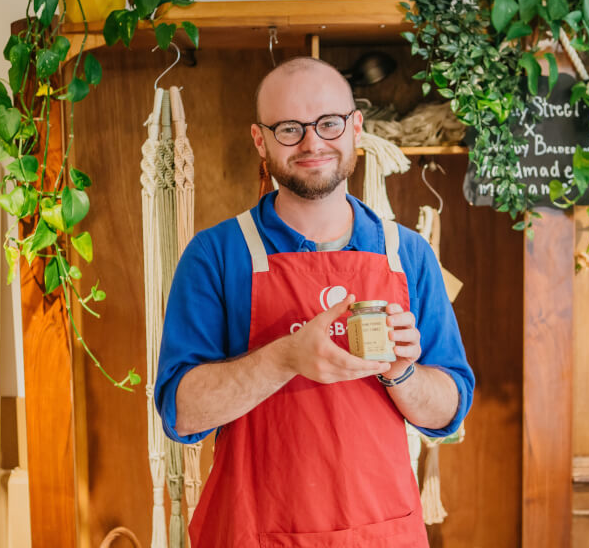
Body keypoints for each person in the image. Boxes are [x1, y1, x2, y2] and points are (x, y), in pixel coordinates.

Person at [155, 56, 475, 547]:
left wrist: (402, 372)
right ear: (260, 140)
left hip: (380, 532)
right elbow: (181, 413)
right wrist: (285, 357)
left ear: (356, 128)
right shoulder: (216, 255)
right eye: (289, 128)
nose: (312, 142)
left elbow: (448, 410)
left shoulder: (407, 254)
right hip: (252, 532)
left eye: (329, 123)